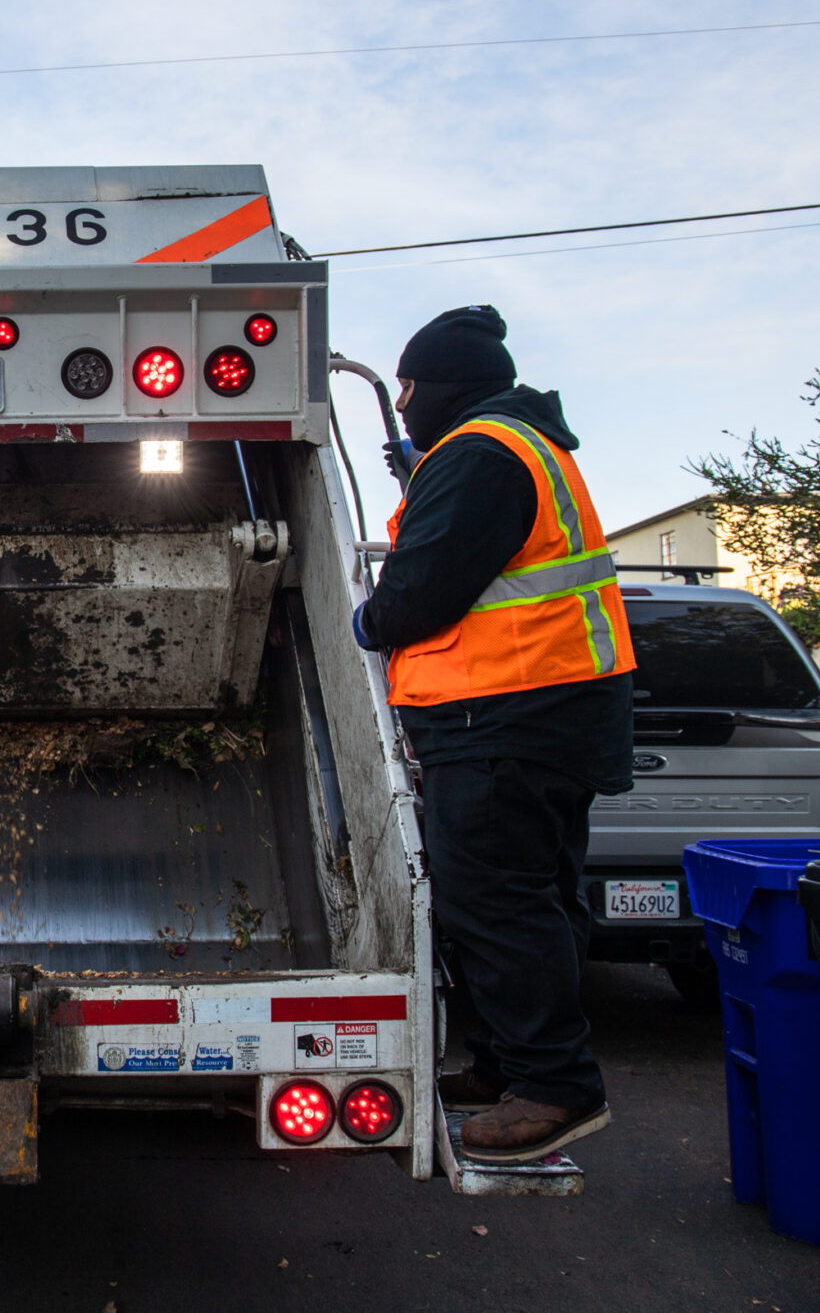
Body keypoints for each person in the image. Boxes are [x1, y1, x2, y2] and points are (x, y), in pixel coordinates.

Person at [354, 304, 635, 1163]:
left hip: (504, 717)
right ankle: (512, 1062)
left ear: (445, 385)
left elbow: (417, 598)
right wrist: (421, 481)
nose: (401, 403)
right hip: (541, 714)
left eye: (408, 386)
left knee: (494, 901)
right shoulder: (510, 448)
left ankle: (555, 1086)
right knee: (537, 897)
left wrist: (366, 620)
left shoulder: (480, 456)